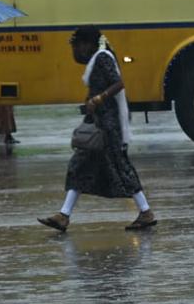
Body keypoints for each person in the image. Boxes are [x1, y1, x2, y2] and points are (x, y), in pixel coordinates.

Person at [38, 27, 157, 232]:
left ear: (89, 44)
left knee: (120, 166)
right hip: (100, 122)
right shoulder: (98, 58)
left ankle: (145, 212)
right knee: (81, 166)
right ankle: (63, 215)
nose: (78, 49)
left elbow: (118, 84)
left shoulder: (103, 58)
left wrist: (98, 98)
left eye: (80, 44)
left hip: (108, 125)